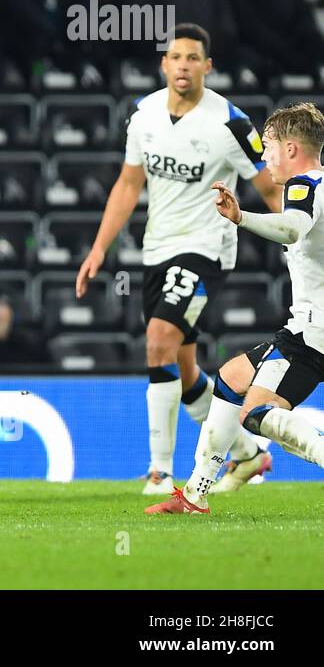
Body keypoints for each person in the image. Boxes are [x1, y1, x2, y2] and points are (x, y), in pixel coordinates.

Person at [76, 25, 281, 496]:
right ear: (164, 65)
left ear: (208, 66)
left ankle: (160, 472)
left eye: (193, 58)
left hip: (206, 249)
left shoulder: (231, 123)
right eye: (176, 57)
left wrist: (300, 239)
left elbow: (268, 187)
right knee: (184, 367)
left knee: (158, 341)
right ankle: (249, 455)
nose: (184, 65)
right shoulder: (143, 114)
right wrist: (99, 248)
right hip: (157, 249)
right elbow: (129, 185)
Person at [148, 103, 324, 514]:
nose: (265, 157)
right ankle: (195, 494)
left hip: (312, 332)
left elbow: (290, 228)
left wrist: (240, 217)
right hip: (311, 327)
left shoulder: (304, 186)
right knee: (230, 378)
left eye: (271, 147)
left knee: (257, 413)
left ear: (293, 149)